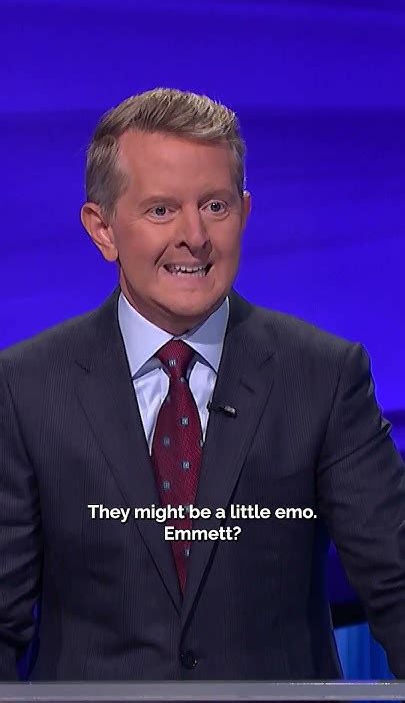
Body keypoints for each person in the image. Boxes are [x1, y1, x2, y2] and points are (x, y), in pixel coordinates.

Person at [0, 87, 404, 682]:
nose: (194, 235)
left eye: (215, 206)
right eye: (161, 210)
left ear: (245, 212)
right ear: (102, 229)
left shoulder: (324, 376)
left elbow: (397, 583)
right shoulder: (27, 387)